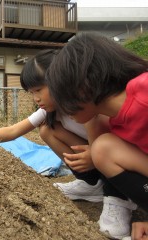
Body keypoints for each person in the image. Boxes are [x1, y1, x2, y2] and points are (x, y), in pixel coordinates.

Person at [0, 49, 104, 202]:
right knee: (47, 130)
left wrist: (94, 155)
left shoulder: (87, 106)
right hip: (93, 160)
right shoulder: (49, 110)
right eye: (31, 93)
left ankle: (116, 196)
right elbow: (13, 131)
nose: (36, 98)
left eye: (38, 90)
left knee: (101, 147)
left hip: (110, 157)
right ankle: (91, 184)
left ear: (59, 79)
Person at [46, 32, 148, 239]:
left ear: (83, 87)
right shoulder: (112, 119)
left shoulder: (144, 94)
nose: (61, 106)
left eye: (62, 95)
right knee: (102, 148)